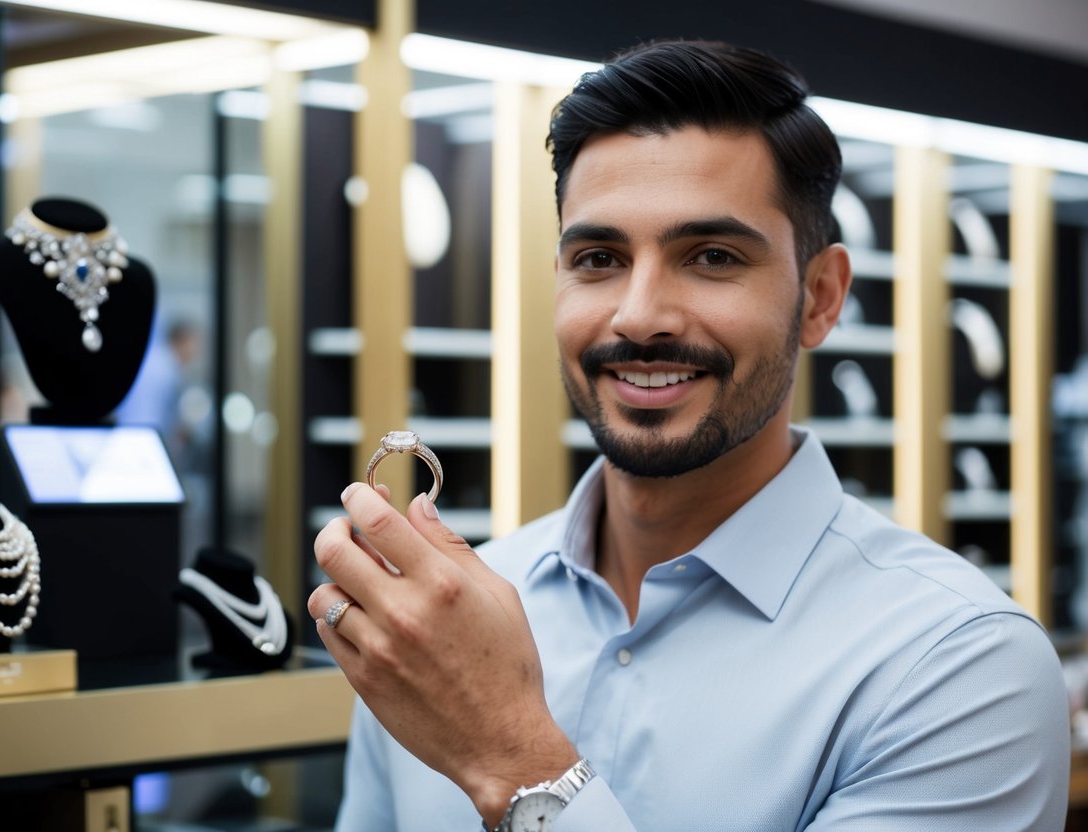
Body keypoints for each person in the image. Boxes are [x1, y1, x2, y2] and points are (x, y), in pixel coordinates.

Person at [307, 39, 1071, 831]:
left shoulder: (958, 665)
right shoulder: (439, 621)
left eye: (710, 256)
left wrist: (510, 756)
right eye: (598, 257)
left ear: (818, 297)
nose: (638, 315)